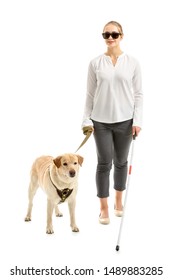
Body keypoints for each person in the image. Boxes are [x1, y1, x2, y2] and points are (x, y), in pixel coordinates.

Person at [81, 21, 143, 225]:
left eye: (114, 34)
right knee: (104, 163)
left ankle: (118, 202)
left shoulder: (132, 62)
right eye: (106, 34)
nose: (110, 38)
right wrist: (86, 120)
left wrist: (138, 120)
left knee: (121, 162)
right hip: (100, 122)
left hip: (125, 121)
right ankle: (103, 208)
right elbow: (89, 95)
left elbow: (139, 94)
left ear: (121, 36)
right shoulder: (95, 63)